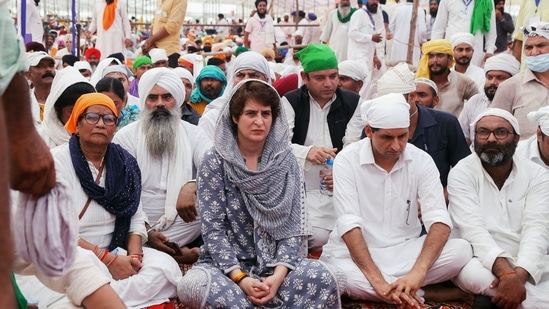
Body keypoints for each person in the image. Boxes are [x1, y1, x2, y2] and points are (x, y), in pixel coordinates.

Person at [177, 79, 343, 308]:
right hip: (227, 269)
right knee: (194, 286)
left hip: (278, 267)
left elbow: (294, 228)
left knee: (331, 277)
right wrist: (241, 279)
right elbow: (213, 228)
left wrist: (278, 276)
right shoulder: (215, 161)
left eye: (266, 114)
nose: (259, 121)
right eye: (251, 113)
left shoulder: (286, 162)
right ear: (235, 117)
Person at [320, 93, 472, 306]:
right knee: (342, 277)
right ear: (369, 132)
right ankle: (422, 293)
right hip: (357, 254)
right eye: (387, 138)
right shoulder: (347, 160)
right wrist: (378, 282)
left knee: (461, 250)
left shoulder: (421, 160)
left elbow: (438, 219)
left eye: (402, 136)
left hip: (405, 249)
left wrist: (418, 272)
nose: (396, 146)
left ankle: (406, 287)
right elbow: (349, 224)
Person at [54, 92, 182, 308]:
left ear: (115, 126)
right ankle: (96, 295)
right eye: (92, 117)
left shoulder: (124, 162)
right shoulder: (56, 162)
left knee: (165, 268)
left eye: (108, 119)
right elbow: (59, 231)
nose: (101, 124)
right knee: (80, 269)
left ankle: (93, 298)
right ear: (76, 124)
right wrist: (107, 260)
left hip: (117, 249)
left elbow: (135, 216)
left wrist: (133, 258)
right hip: (76, 252)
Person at [448, 108, 549, 308]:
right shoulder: (462, 172)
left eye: (501, 132)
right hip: (477, 258)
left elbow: (537, 228)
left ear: (517, 138)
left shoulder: (536, 174)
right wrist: (506, 273)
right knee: (485, 280)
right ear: (475, 137)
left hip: (524, 260)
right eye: (483, 132)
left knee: (519, 287)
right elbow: (473, 231)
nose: (491, 139)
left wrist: (518, 275)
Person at [113, 68, 211, 264]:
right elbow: (124, 192)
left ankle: (157, 252)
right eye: (152, 98)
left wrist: (192, 184)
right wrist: (147, 231)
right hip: (139, 220)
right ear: (144, 102)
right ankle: (175, 253)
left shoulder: (195, 134)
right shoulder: (126, 137)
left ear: (177, 100)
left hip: (183, 220)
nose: (160, 103)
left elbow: (214, 167)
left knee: (212, 201)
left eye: (167, 97)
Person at [282, 44, 360, 252]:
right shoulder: (290, 102)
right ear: (305, 77)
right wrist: (307, 152)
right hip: (301, 188)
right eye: (320, 78)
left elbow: (352, 144)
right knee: (312, 236)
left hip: (339, 187)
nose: (329, 83)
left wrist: (342, 174)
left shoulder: (353, 102)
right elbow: (279, 145)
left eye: (333, 76)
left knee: (350, 231)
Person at [492, 22, 549, 140]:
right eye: (529, 47)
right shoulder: (510, 87)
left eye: (541, 45)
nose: (534, 52)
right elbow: (496, 128)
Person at [199, 51, 271, 140]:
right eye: (240, 75)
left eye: (253, 75)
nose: (245, 80)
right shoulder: (214, 116)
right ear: (233, 79)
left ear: (266, 80)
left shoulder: (276, 113)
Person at [458, 53, 520, 143]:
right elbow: (463, 136)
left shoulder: (520, 103)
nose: (493, 82)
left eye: (500, 78)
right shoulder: (475, 101)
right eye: (489, 77)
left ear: (513, 80)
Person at [416, 39, 478, 117]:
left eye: (440, 55)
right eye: (431, 56)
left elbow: (478, 105)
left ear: (449, 59)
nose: (435, 60)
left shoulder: (463, 81)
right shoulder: (418, 81)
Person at [38, 66, 96, 148]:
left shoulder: (96, 138)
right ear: (57, 109)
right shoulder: (39, 140)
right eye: (72, 111)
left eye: (85, 112)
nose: (80, 117)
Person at [431, 0, 497, 66]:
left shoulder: (486, 1)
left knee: (473, 74)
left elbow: (491, 29)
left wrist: (490, 51)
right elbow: (439, 28)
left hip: (475, 53)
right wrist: (434, 50)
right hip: (452, 51)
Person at [141, 0, 187, 68]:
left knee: (166, 77)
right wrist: (150, 42)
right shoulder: (160, 1)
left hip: (168, 52)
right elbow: (154, 22)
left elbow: (172, 26)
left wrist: (150, 40)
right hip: (153, 49)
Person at [348, 0, 385, 78]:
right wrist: (371, 37)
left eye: (376, 0)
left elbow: (372, 41)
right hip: (358, 57)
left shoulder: (370, 16)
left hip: (368, 57)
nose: (375, 2)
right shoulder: (359, 14)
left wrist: (375, 57)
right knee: (364, 81)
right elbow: (352, 33)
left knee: (367, 82)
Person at [389, 0, 427, 67]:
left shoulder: (398, 9)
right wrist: (423, 42)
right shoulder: (420, 11)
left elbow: (391, 28)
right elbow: (422, 31)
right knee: (411, 72)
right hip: (414, 46)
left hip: (398, 45)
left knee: (397, 70)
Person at [25, 51, 56, 125]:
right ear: (28, 75)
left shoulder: (64, 98)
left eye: (51, 65)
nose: (48, 69)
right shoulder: (21, 103)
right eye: (40, 66)